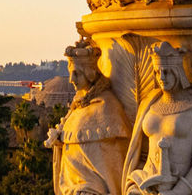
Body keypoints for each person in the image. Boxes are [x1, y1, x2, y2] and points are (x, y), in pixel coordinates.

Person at [123, 42, 192, 195]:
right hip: (145, 185)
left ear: (178, 72)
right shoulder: (148, 104)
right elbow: (141, 152)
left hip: (183, 188)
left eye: (167, 72)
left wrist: (178, 192)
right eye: (157, 72)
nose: (161, 77)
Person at [49, 35, 135, 195]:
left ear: (89, 74)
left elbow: (109, 163)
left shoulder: (107, 107)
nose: (71, 80)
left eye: (76, 74)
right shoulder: (78, 105)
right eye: (71, 73)